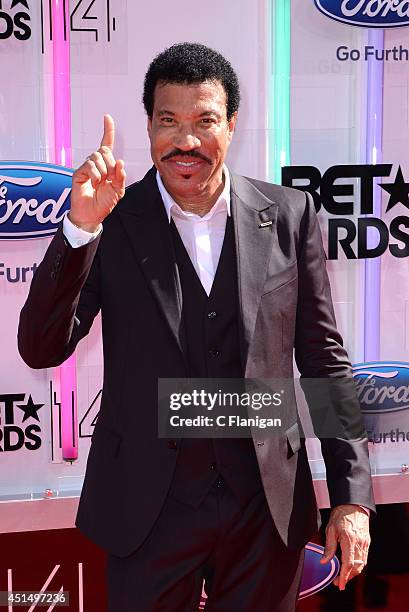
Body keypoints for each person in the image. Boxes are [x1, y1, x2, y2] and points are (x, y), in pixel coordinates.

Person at [18, 43, 375, 611]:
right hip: (146, 508)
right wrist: (79, 231)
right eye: (169, 122)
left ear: (232, 124)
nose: (186, 142)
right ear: (149, 128)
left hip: (263, 509)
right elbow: (40, 348)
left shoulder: (288, 215)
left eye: (205, 121)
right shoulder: (114, 222)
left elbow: (324, 361)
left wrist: (352, 497)